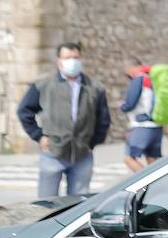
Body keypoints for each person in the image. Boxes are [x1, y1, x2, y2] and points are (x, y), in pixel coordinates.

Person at [17, 41, 110, 197]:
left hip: (82, 154)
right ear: (58, 61)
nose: (72, 62)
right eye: (67, 58)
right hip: (53, 151)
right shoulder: (43, 84)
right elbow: (24, 111)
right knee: (47, 204)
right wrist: (38, 136)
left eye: (76, 57)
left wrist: (92, 143)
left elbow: (103, 119)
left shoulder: (94, 87)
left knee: (79, 204)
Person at [118, 58, 162, 171]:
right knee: (152, 160)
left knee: (128, 158)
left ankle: (148, 183)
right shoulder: (152, 79)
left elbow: (130, 104)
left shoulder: (138, 79)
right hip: (156, 126)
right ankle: (159, 185)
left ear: (130, 67)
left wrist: (122, 106)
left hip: (142, 125)